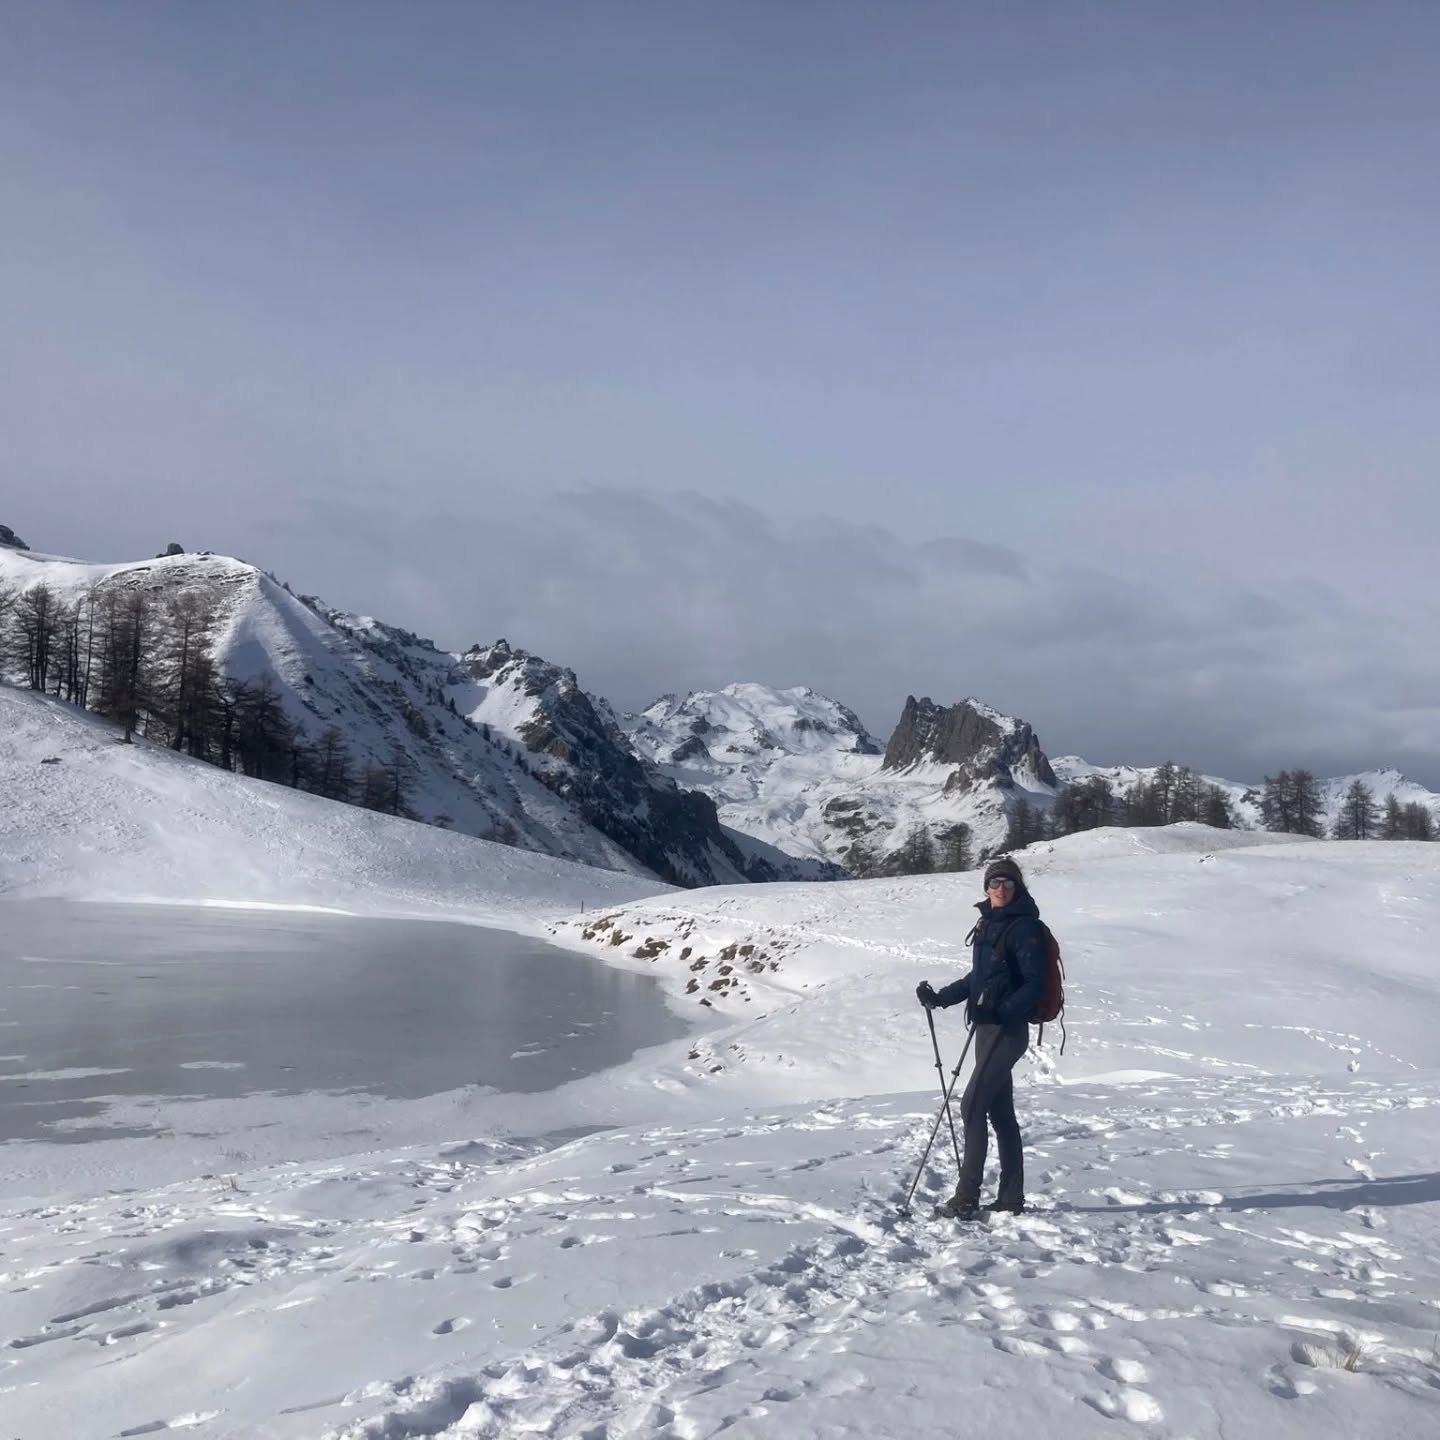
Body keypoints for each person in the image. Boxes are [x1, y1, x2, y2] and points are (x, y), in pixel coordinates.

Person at [916, 855, 1046, 1220]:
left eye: (1008, 883)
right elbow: (980, 979)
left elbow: (1034, 985)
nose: (1001, 888)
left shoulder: (1025, 928)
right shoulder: (990, 923)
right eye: (995, 882)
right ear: (986, 889)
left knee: (971, 1105)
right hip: (987, 1029)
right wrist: (941, 997)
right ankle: (1010, 1197)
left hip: (1007, 1029)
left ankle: (967, 1195)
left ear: (1017, 888)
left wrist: (1001, 1012)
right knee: (1000, 1113)